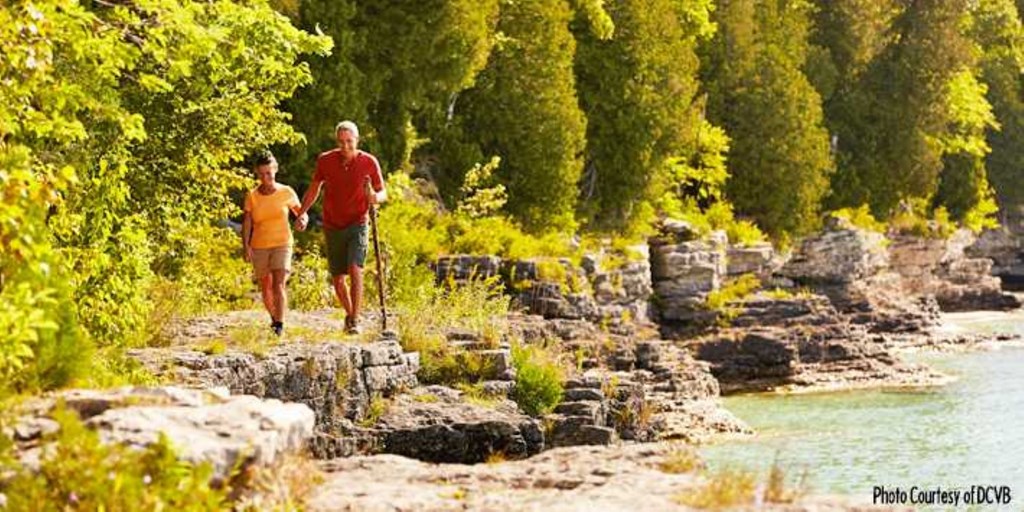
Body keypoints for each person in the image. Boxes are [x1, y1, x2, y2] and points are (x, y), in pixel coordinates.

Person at [295, 121, 386, 334]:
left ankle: (355, 319)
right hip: (333, 223)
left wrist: (374, 197)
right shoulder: (325, 161)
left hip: (358, 223)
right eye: (341, 142)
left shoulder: (369, 162)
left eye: (349, 141)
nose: (345, 146)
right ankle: (349, 313)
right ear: (337, 141)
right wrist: (302, 212)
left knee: (355, 269)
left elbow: (383, 192)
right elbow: (314, 188)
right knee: (338, 279)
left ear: (357, 140)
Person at [242, 152, 307, 336]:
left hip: (282, 243)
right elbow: (247, 222)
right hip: (259, 245)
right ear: (257, 173)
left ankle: (279, 324)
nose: (266, 178)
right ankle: (274, 318)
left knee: (279, 283)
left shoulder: (286, 192)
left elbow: (300, 212)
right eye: (262, 174)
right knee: (266, 286)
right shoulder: (252, 196)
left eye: (269, 173)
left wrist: (303, 220)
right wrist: (246, 246)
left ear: (275, 170)